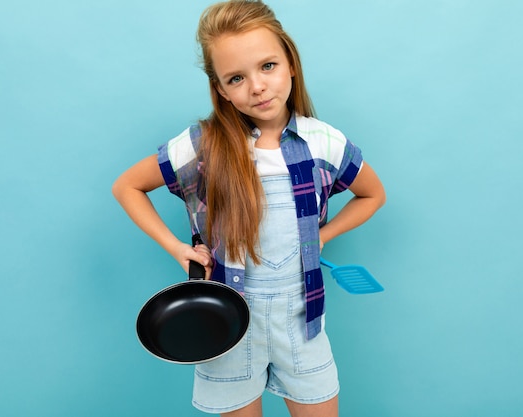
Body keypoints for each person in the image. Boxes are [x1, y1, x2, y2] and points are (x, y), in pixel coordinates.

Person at [112, 1, 385, 415]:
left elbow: (372, 194)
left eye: (268, 66)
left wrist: (322, 236)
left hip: (302, 326)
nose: (256, 86)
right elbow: (127, 186)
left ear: (291, 63)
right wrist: (176, 247)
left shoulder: (323, 141)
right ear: (220, 88)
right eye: (236, 78)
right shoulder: (204, 145)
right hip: (228, 329)